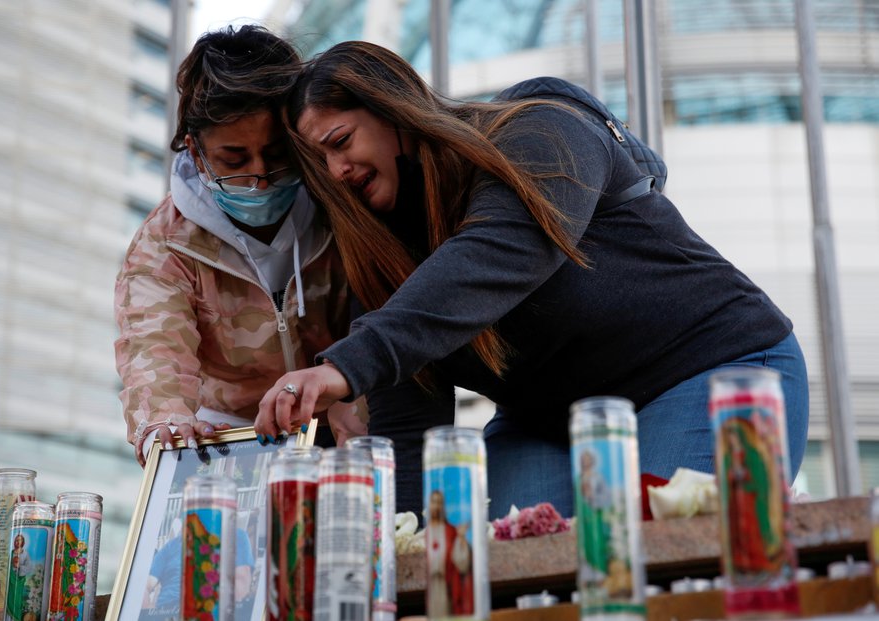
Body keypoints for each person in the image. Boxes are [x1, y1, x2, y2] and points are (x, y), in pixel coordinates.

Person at [255, 41, 809, 519]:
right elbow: (410, 435)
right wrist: (406, 561)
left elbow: (500, 253)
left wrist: (343, 366)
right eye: (319, 162)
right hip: (546, 426)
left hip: (708, 371)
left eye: (340, 142)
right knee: (494, 563)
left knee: (655, 554)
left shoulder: (538, 129)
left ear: (394, 110)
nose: (336, 173)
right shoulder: (381, 260)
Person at [114, 25, 365, 467]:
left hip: (351, 423)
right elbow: (154, 352)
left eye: (277, 153)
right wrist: (166, 421)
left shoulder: (343, 200)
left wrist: (359, 384)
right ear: (194, 150)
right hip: (232, 444)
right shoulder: (164, 246)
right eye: (234, 160)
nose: (260, 176)